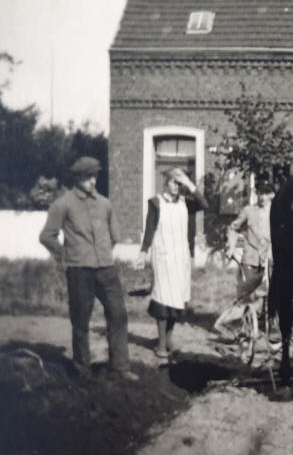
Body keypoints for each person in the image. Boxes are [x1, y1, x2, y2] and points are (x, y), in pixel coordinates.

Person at [39, 156, 138, 381]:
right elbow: (47, 236)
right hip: (79, 270)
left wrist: (104, 253)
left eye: (95, 176)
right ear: (77, 178)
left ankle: (120, 367)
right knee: (81, 321)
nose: (93, 181)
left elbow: (114, 236)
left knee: (118, 314)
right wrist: (66, 255)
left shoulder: (104, 203)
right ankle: (83, 371)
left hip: (106, 268)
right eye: (87, 177)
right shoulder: (63, 204)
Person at [135, 167, 208, 358]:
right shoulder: (156, 203)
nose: (176, 187)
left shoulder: (186, 203)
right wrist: (143, 252)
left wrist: (189, 184)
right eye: (173, 182)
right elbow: (149, 228)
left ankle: (169, 339)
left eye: (179, 183)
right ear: (166, 183)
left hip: (180, 257)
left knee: (176, 298)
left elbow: (204, 204)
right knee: (163, 297)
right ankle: (160, 343)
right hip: (163, 256)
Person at [213, 180, 274, 336]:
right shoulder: (248, 211)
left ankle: (263, 328)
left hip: (270, 260)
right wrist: (231, 247)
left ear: (272, 195)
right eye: (260, 193)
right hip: (250, 260)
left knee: (271, 296)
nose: (262, 197)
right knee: (244, 298)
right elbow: (233, 228)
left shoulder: (276, 212)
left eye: (266, 193)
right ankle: (226, 325)